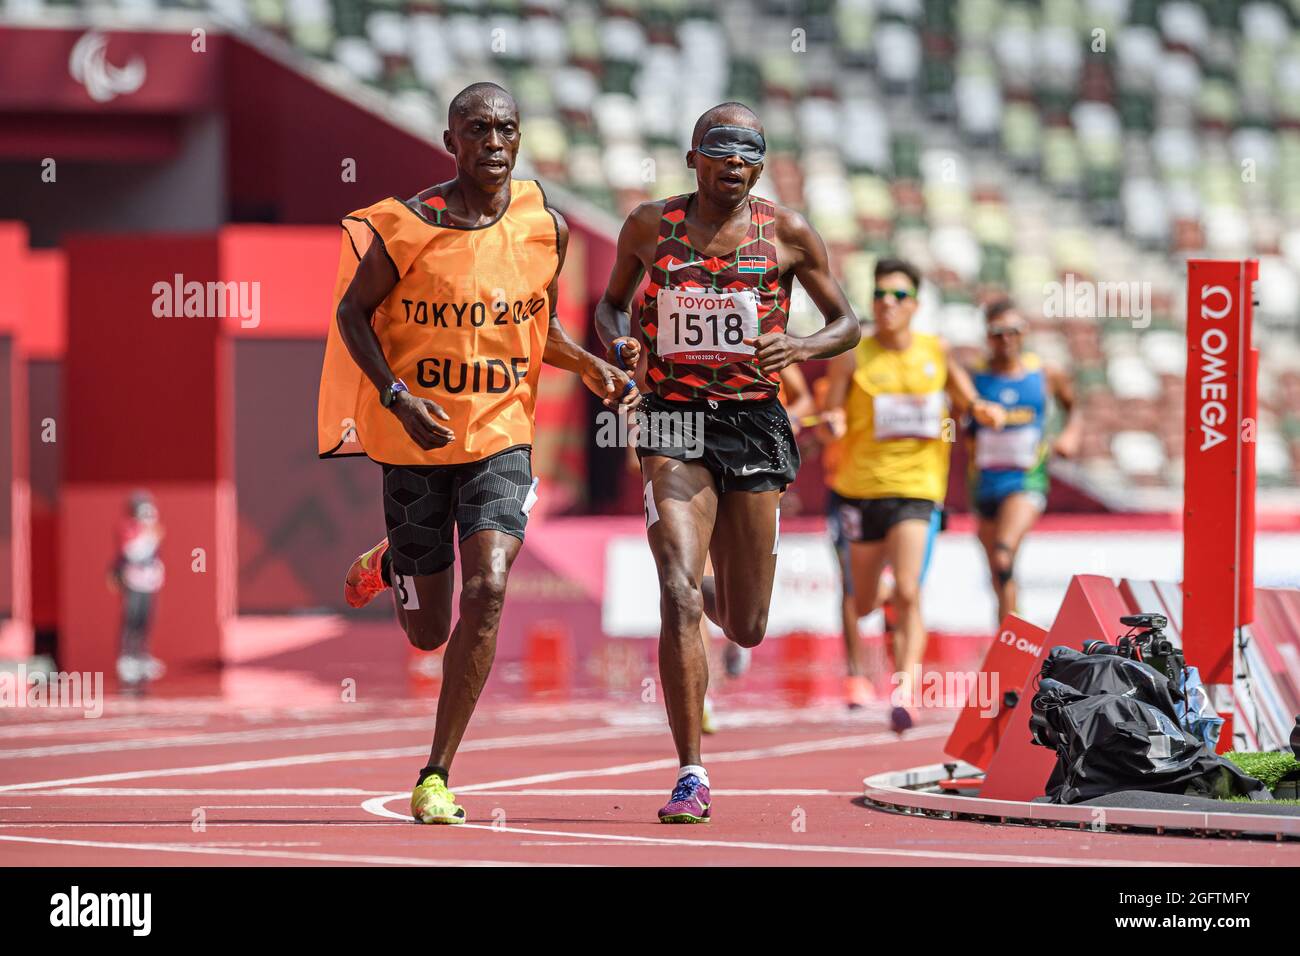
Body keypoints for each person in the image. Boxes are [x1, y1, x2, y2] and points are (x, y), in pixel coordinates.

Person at [318, 82, 637, 825]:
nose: (495, 143)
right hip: (417, 440)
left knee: (489, 587)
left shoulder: (540, 225)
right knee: (428, 632)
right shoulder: (407, 229)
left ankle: (435, 773)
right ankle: (396, 559)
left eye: (507, 129)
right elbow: (351, 315)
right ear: (449, 141)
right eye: (479, 130)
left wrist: (589, 365)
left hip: (499, 435)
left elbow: (532, 327)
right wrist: (397, 396)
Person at [595, 102, 860, 822]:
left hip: (753, 423)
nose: (736, 163)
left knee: (746, 624)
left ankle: (718, 606)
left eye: (750, 153)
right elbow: (610, 307)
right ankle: (690, 772)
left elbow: (847, 322)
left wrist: (801, 346)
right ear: (694, 158)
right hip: (672, 419)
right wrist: (621, 347)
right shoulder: (652, 226)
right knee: (677, 589)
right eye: (722, 151)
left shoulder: (789, 233)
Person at [822, 258, 1004, 732]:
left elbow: (965, 400)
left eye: (898, 295)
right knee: (861, 603)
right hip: (860, 491)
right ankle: (876, 601)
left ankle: (905, 690)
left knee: (909, 589)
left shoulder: (934, 351)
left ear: (915, 305)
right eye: (880, 293)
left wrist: (983, 409)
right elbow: (830, 412)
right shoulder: (854, 353)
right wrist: (834, 422)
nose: (887, 303)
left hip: (917, 491)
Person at [967, 298, 1081, 626]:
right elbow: (955, 419)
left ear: (1025, 333)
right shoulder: (974, 378)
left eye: (1014, 331)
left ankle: (1013, 640)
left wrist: (1070, 434)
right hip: (984, 483)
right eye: (998, 332)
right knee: (998, 571)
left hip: (1026, 481)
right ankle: (1009, 636)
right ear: (987, 336)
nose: (1007, 339)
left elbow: (1074, 406)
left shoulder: (1045, 374)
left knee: (1004, 555)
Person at [108, 491, 165, 686]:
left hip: (149, 582)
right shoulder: (129, 529)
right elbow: (132, 552)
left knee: (145, 619)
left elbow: (156, 557)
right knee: (131, 619)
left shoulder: (154, 530)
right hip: (133, 582)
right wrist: (149, 537)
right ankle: (127, 658)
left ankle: (143, 656)